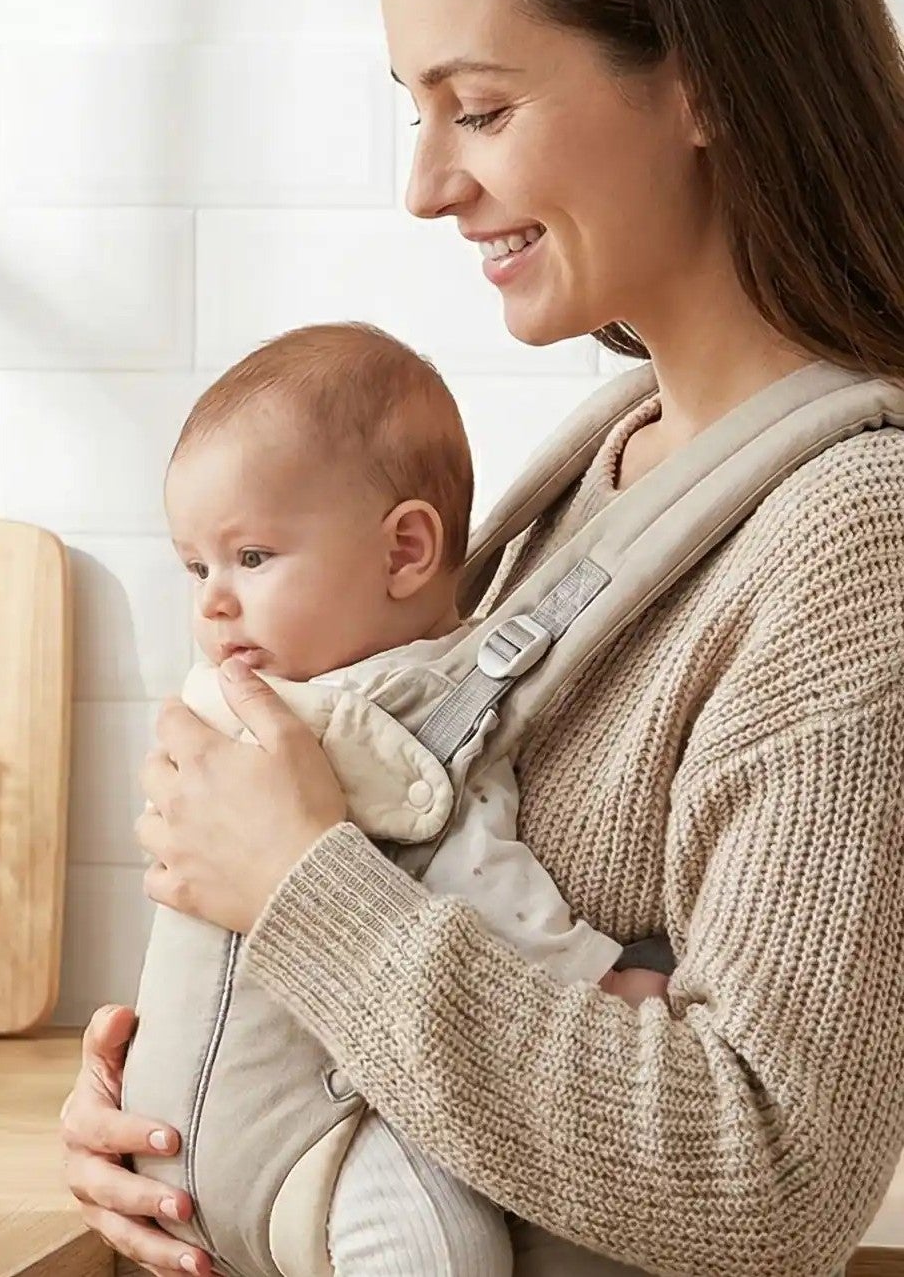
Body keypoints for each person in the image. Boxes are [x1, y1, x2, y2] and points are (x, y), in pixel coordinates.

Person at [58, 0, 904, 1277]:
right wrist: (183, 1109)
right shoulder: (583, 484)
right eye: (414, 110)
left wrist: (299, 897)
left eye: (481, 109)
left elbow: (769, 1172)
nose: (427, 185)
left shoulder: (852, 540)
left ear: (701, 80)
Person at [130, 319, 670, 1277]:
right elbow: (473, 872)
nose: (212, 600)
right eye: (196, 565)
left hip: (186, 1129)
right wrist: (593, 972)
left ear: (405, 550)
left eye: (250, 557)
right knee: (441, 1250)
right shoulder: (355, 717)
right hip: (314, 1126)